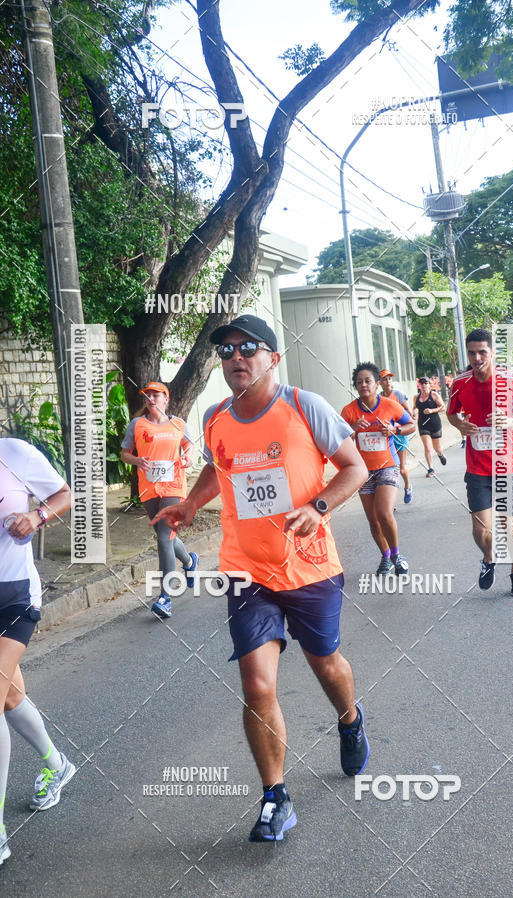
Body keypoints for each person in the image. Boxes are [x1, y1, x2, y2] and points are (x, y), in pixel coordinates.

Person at [152, 315, 369, 843]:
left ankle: (348, 717)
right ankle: (275, 797)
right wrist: (188, 506)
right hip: (246, 572)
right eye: (226, 352)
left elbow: (355, 468)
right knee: (256, 682)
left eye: (248, 348)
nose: (236, 358)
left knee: (326, 664)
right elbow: (216, 468)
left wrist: (318, 507)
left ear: (273, 356)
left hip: (310, 567)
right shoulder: (214, 417)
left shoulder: (304, 405)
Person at [0, 437, 76, 865]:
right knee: (9, 695)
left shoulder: (13, 453)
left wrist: (36, 515)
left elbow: (63, 492)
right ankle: (56, 764)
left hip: (15, 596)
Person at [447, 329, 513, 597]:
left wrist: (509, 421)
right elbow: (451, 414)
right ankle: (489, 557)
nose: (477, 358)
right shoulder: (460, 383)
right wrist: (460, 425)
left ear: (492, 352)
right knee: (481, 529)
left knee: (512, 524)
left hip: (510, 465)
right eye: (472, 353)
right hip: (477, 468)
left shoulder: (510, 380)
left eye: (482, 352)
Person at [121, 382, 197, 619]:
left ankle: (166, 596)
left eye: (156, 395)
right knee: (166, 537)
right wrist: (137, 461)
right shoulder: (137, 424)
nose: (151, 399)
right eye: (148, 395)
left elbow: (189, 446)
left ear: (166, 399)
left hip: (174, 486)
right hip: (149, 489)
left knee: (164, 536)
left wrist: (188, 458)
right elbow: (124, 454)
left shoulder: (178, 424)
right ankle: (189, 560)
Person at [342, 363, 415, 575]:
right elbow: (339, 440)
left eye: (368, 381)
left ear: (377, 384)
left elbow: (411, 425)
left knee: (383, 513)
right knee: (373, 521)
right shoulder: (349, 411)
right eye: (359, 382)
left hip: (388, 466)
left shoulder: (390, 406)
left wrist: (395, 429)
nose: (363, 385)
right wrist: (352, 430)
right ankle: (385, 557)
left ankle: (396, 554)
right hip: (363, 472)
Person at [378, 369, 413, 503]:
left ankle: (408, 487)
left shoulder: (397, 394)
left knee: (402, 469)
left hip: (399, 434)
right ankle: (390, 501)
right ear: (379, 382)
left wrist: (398, 423)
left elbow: (409, 414)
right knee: (389, 470)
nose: (387, 382)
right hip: (386, 436)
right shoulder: (379, 397)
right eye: (384, 379)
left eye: (389, 379)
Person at [413, 377, 446, 477]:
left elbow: (443, 407)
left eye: (426, 383)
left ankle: (440, 454)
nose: (424, 386)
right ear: (419, 386)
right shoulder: (416, 397)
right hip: (423, 424)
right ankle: (430, 468)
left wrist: (432, 410)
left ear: (429, 385)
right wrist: (414, 413)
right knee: (427, 447)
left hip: (434, 423)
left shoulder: (434, 395)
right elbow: (414, 408)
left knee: (438, 448)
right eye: (422, 384)